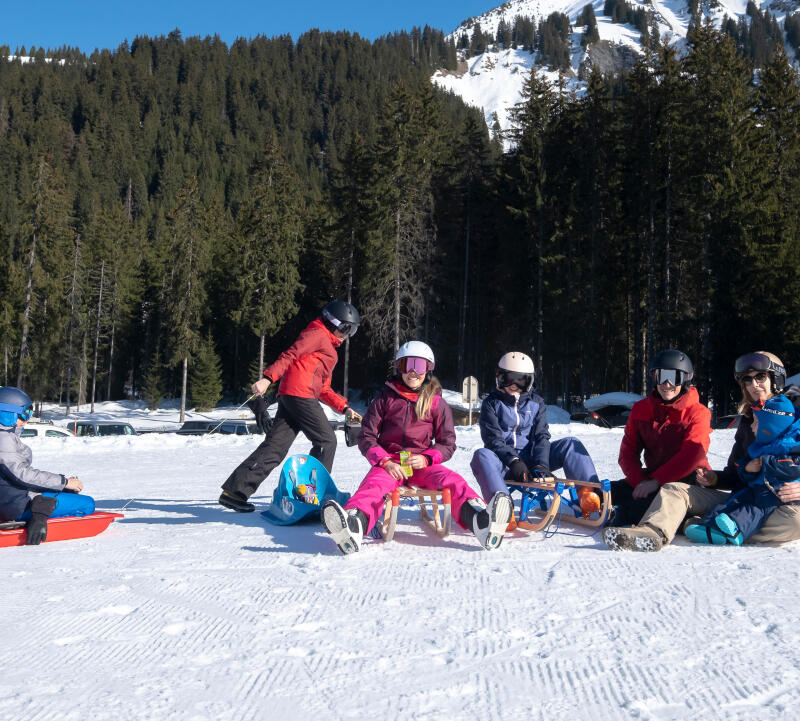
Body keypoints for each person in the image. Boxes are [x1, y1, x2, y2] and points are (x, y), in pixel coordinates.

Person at [321, 341, 512, 554]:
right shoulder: (385, 397)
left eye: (419, 366)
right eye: (406, 365)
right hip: (390, 461)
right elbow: (367, 436)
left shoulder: (436, 402)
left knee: (453, 481)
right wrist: (384, 461)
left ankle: (481, 521)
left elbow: (447, 442)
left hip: (422, 461)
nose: (412, 372)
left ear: (428, 369)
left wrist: (427, 458)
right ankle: (354, 525)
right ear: (398, 368)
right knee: (374, 485)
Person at [604, 351, 800, 551]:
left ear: (776, 379)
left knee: (796, 521)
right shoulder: (749, 422)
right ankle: (652, 533)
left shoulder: (796, 415)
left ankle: (713, 527)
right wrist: (713, 479)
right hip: (741, 501)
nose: (753, 385)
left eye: (760, 377)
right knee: (675, 490)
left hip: (780, 505)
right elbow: (734, 475)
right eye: (748, 380)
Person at [219, 300, 362, 512]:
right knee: (327, 441)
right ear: (333, 322)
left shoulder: (329, 347)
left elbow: (323, 388)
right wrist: (268, 378)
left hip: (293, 396)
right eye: (347, 328)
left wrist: (345, 407)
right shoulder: (317, 333)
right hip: (300, 395)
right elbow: (291, 354)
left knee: (275, 448)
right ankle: (310, 493)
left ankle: (235, 492)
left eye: (354, 330)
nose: (348, 334)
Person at [470, 352, 602, 520]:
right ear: (499, 378)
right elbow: (493, 439)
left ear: (530, 381)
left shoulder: (536, 403)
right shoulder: (492, 403)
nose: (514, 385)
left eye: (521, 380)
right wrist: (513, 461)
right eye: (509, 379)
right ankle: (503, 508)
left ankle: (588, 494)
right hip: (503, 464)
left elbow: (541, 436)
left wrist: (541, 464)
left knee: (571, 443)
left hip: (532, 461)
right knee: (481, 455)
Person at [607, 349, 712, 528]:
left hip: (687, 481)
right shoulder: (641, 409)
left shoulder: (698, 413)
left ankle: (688, 519)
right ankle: (618, 509)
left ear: (686, 380)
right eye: (661, 376)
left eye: (674, 377)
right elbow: (627, 452)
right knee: (603, 493)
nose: (667, 384)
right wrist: (640, 482)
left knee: (642, 508)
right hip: (653, 478)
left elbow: (691, 456)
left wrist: (656, 482)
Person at [685, 394, 800, 545]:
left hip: (773, 495)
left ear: (769, 429)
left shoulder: (791, 446)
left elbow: (792, 468)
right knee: (732, 503)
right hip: (755, 490)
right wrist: (747, 468)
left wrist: (765, 462)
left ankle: (736, 532)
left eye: (757, 423)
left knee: (752, 509)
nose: (751, 426)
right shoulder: (760, 447)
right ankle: (709, 526)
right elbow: (740, 473)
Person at [0, 386, 93, 545]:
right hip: (14, 506)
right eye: (24, 414)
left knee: (68, 495)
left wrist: (59, 486)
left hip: (9, 500)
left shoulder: (8, 436)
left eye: (30, 413)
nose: (27, 419)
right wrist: (63, 482)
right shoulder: (4, 439)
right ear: (7, 413)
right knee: (87, 504)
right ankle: (34, 518)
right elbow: (23, 475)